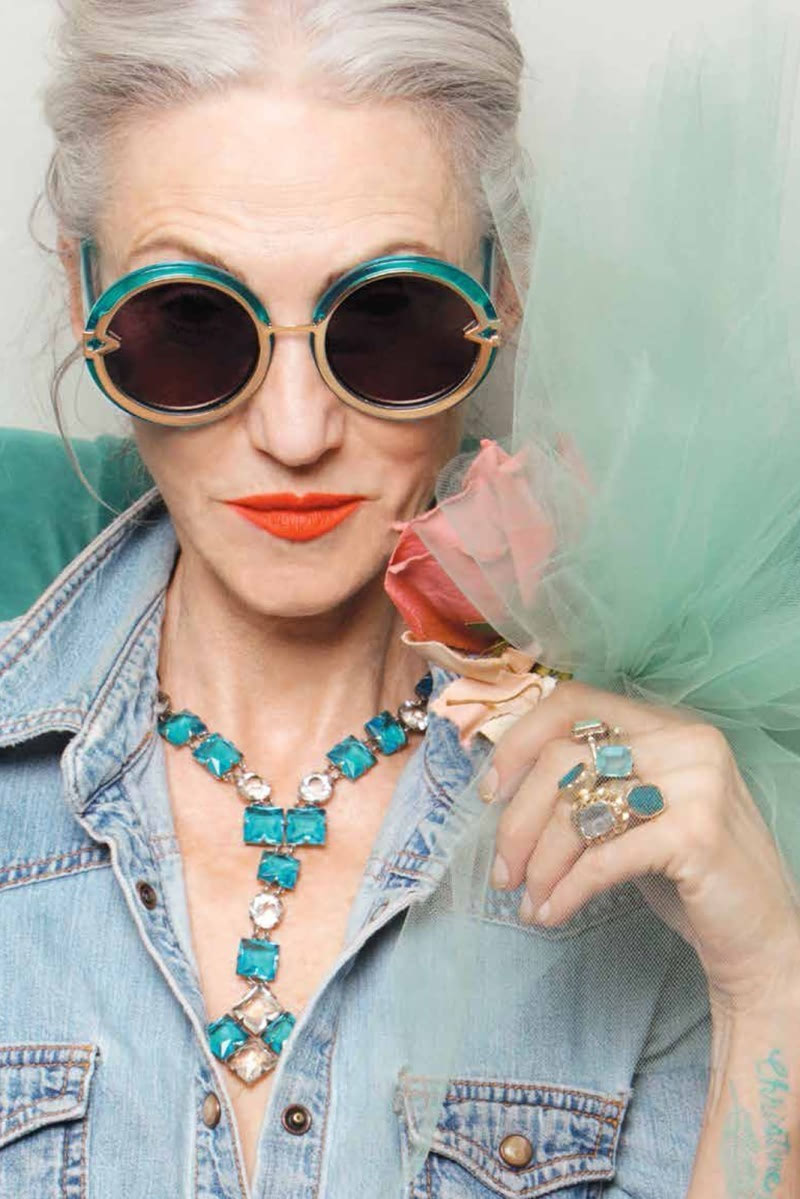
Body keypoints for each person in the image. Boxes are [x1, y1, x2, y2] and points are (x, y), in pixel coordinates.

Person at [0, 2, 797, 1196]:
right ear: (84, 300)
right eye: (190, 323)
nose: (294, 431)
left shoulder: (636, 832)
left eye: (386, 318)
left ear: (503, 288)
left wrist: (768, 979)